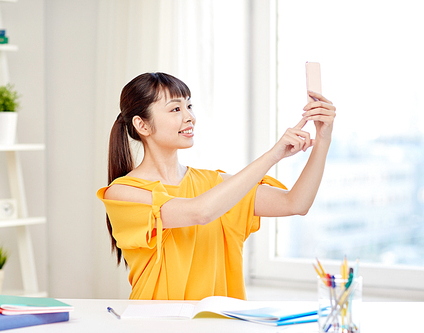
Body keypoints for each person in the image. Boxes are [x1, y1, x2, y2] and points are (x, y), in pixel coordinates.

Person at [97, 72, 336, 300]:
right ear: (143, 125)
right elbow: (199, 212)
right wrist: (273, 155)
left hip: (220, 324)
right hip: (157, 324)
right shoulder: (122, 193)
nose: (189, 117)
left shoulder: (214, 184)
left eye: (189, 106)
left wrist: (322, 139)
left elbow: (295, 203)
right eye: (175, 109)